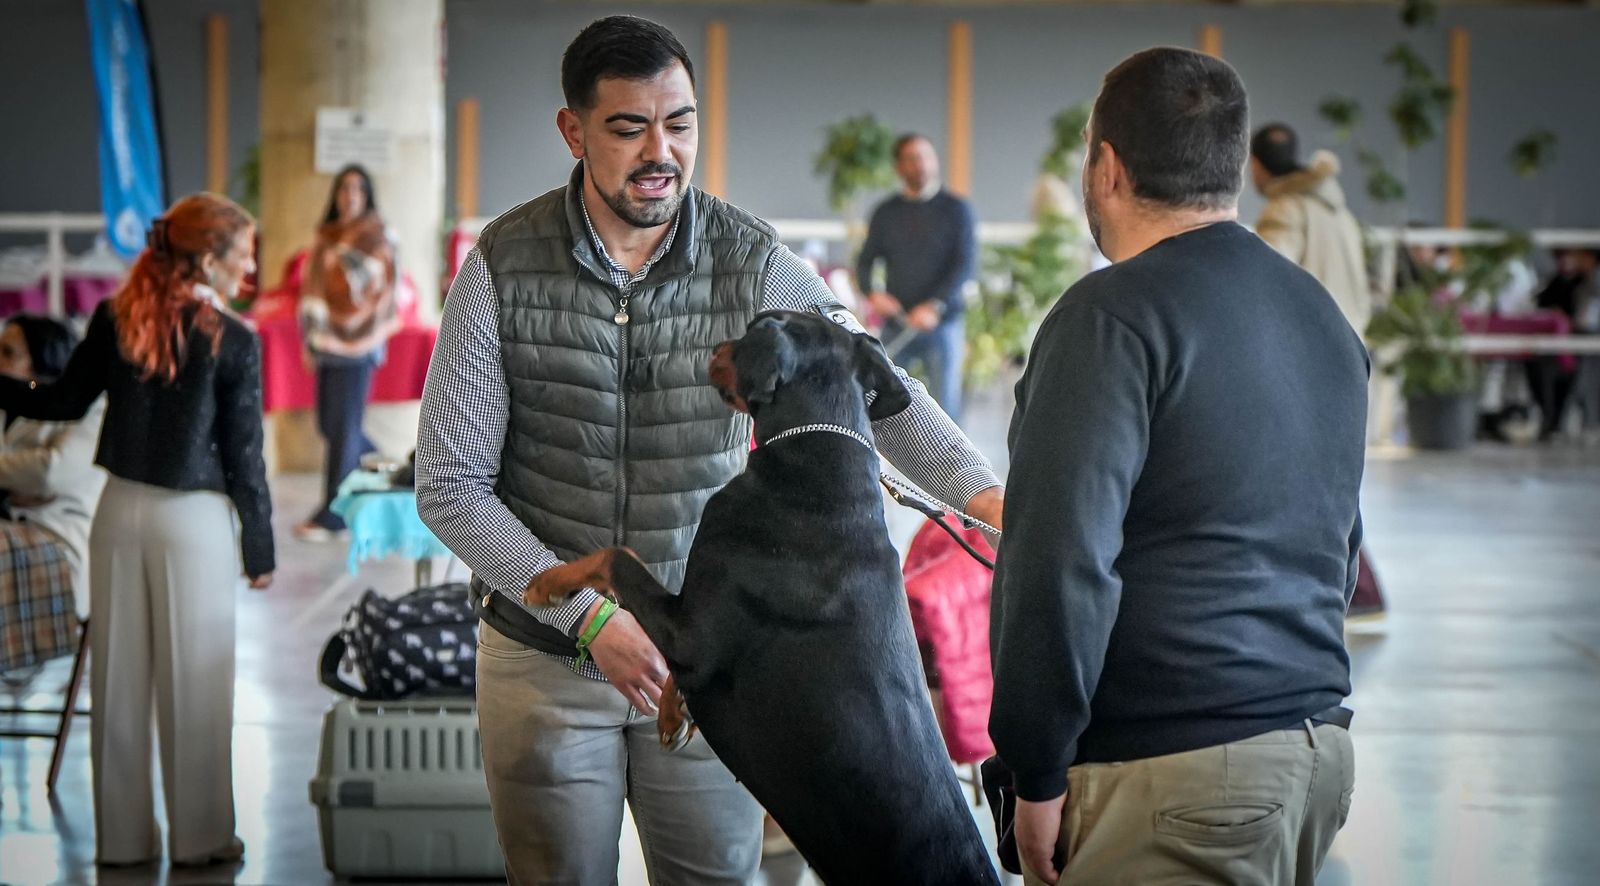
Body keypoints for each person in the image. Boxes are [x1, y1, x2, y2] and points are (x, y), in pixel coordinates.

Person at [415, 16, 1003, 885]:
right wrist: (585, 619)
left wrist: (986, 499)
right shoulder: (500, 263)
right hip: (545, 662)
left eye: (680, 122)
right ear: (572, 131)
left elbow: (875, 388)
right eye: (628, 127)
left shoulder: (755, 259)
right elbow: (451, 487)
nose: (662, 151)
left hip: (720, 669)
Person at [989, 48, 1366, 886]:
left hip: (1176, 775)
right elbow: (1337, 544)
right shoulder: (1322, 317)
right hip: (1313, 755)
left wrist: (1035, 766)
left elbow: (1058, 560)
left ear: (1107, 166)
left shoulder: (1109, 318)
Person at [0, 193, 275, 868]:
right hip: (193, 524)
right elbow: (244, 459)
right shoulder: (233, 340)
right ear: (208, 256)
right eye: (243, 252)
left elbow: (62, 401)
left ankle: (122, 843)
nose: (249, 266)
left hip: (118, 513)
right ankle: (201, 837)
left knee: (118, 681)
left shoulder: (114, 317)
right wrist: (259, 547)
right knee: (196, 684)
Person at [293, 163, 400, 541]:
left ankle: (332, 518)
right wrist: (312, 338)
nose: (349, 196)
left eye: (357, 189)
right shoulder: (326, 237)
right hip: (326, 344)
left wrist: (357, 327)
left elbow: (381, 292)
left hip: (360, 345)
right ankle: (391, 468)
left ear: (366, 195)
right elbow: (312, 293)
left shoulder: (377, 238)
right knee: (332, 426)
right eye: (343, 189)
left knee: (342, 432)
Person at [0, 316, 105, 670]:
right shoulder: (6, 406)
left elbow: (51, 472)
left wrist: (21, 481)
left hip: (57, 543)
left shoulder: (88, 408)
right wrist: (16, 481)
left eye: (8, 352)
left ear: (40, 359)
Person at [855, 133, 978, 421]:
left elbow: (965, 264)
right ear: (899, 167)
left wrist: (934, 305)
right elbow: (865, 261)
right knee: (880, 401)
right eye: (911, 159)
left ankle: (951, 465)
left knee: (947, 407)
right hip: (898, 324)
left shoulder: (957, 210)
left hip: (943, 323)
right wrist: (873, 294)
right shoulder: (885, 213)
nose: (920, 165)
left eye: (925, 157)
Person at [1251, 122, 1372, 335]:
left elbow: (1265, 282)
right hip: (1350, 345)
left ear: (1256, 164)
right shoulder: (1339, 211)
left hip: (1311, 348)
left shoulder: (1284, 209)